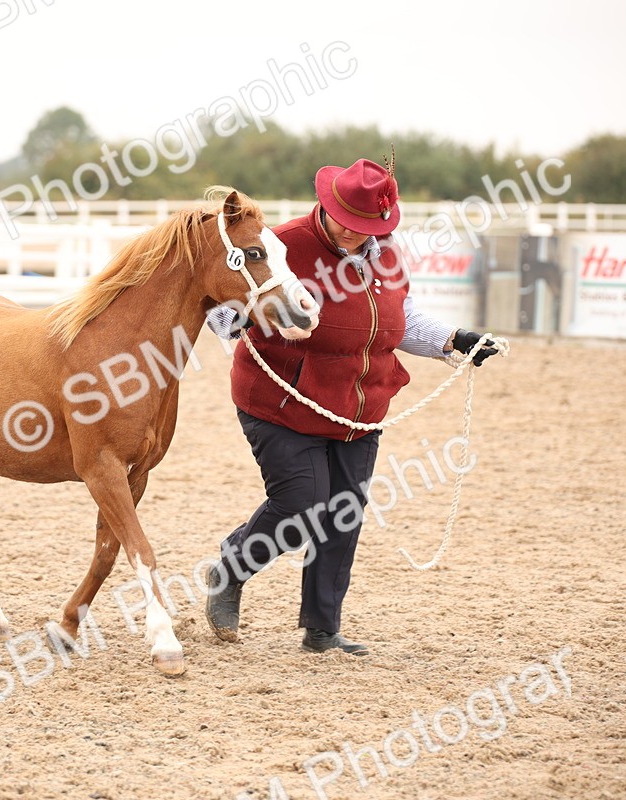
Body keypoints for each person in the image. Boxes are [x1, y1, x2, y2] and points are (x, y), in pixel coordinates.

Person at [203, 156, 498, 656]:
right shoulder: (284, 243)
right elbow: (222, 314)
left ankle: (322, 628)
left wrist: (454, 340)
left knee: (343, 512)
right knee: (302, 504)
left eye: (367, 228)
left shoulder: (388, 256)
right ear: (327, 205)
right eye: (348, 223)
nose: (356, 235)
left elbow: (399, 321)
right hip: (281, 402)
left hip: (357, 409)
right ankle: (230, 571)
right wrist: (252, 320)